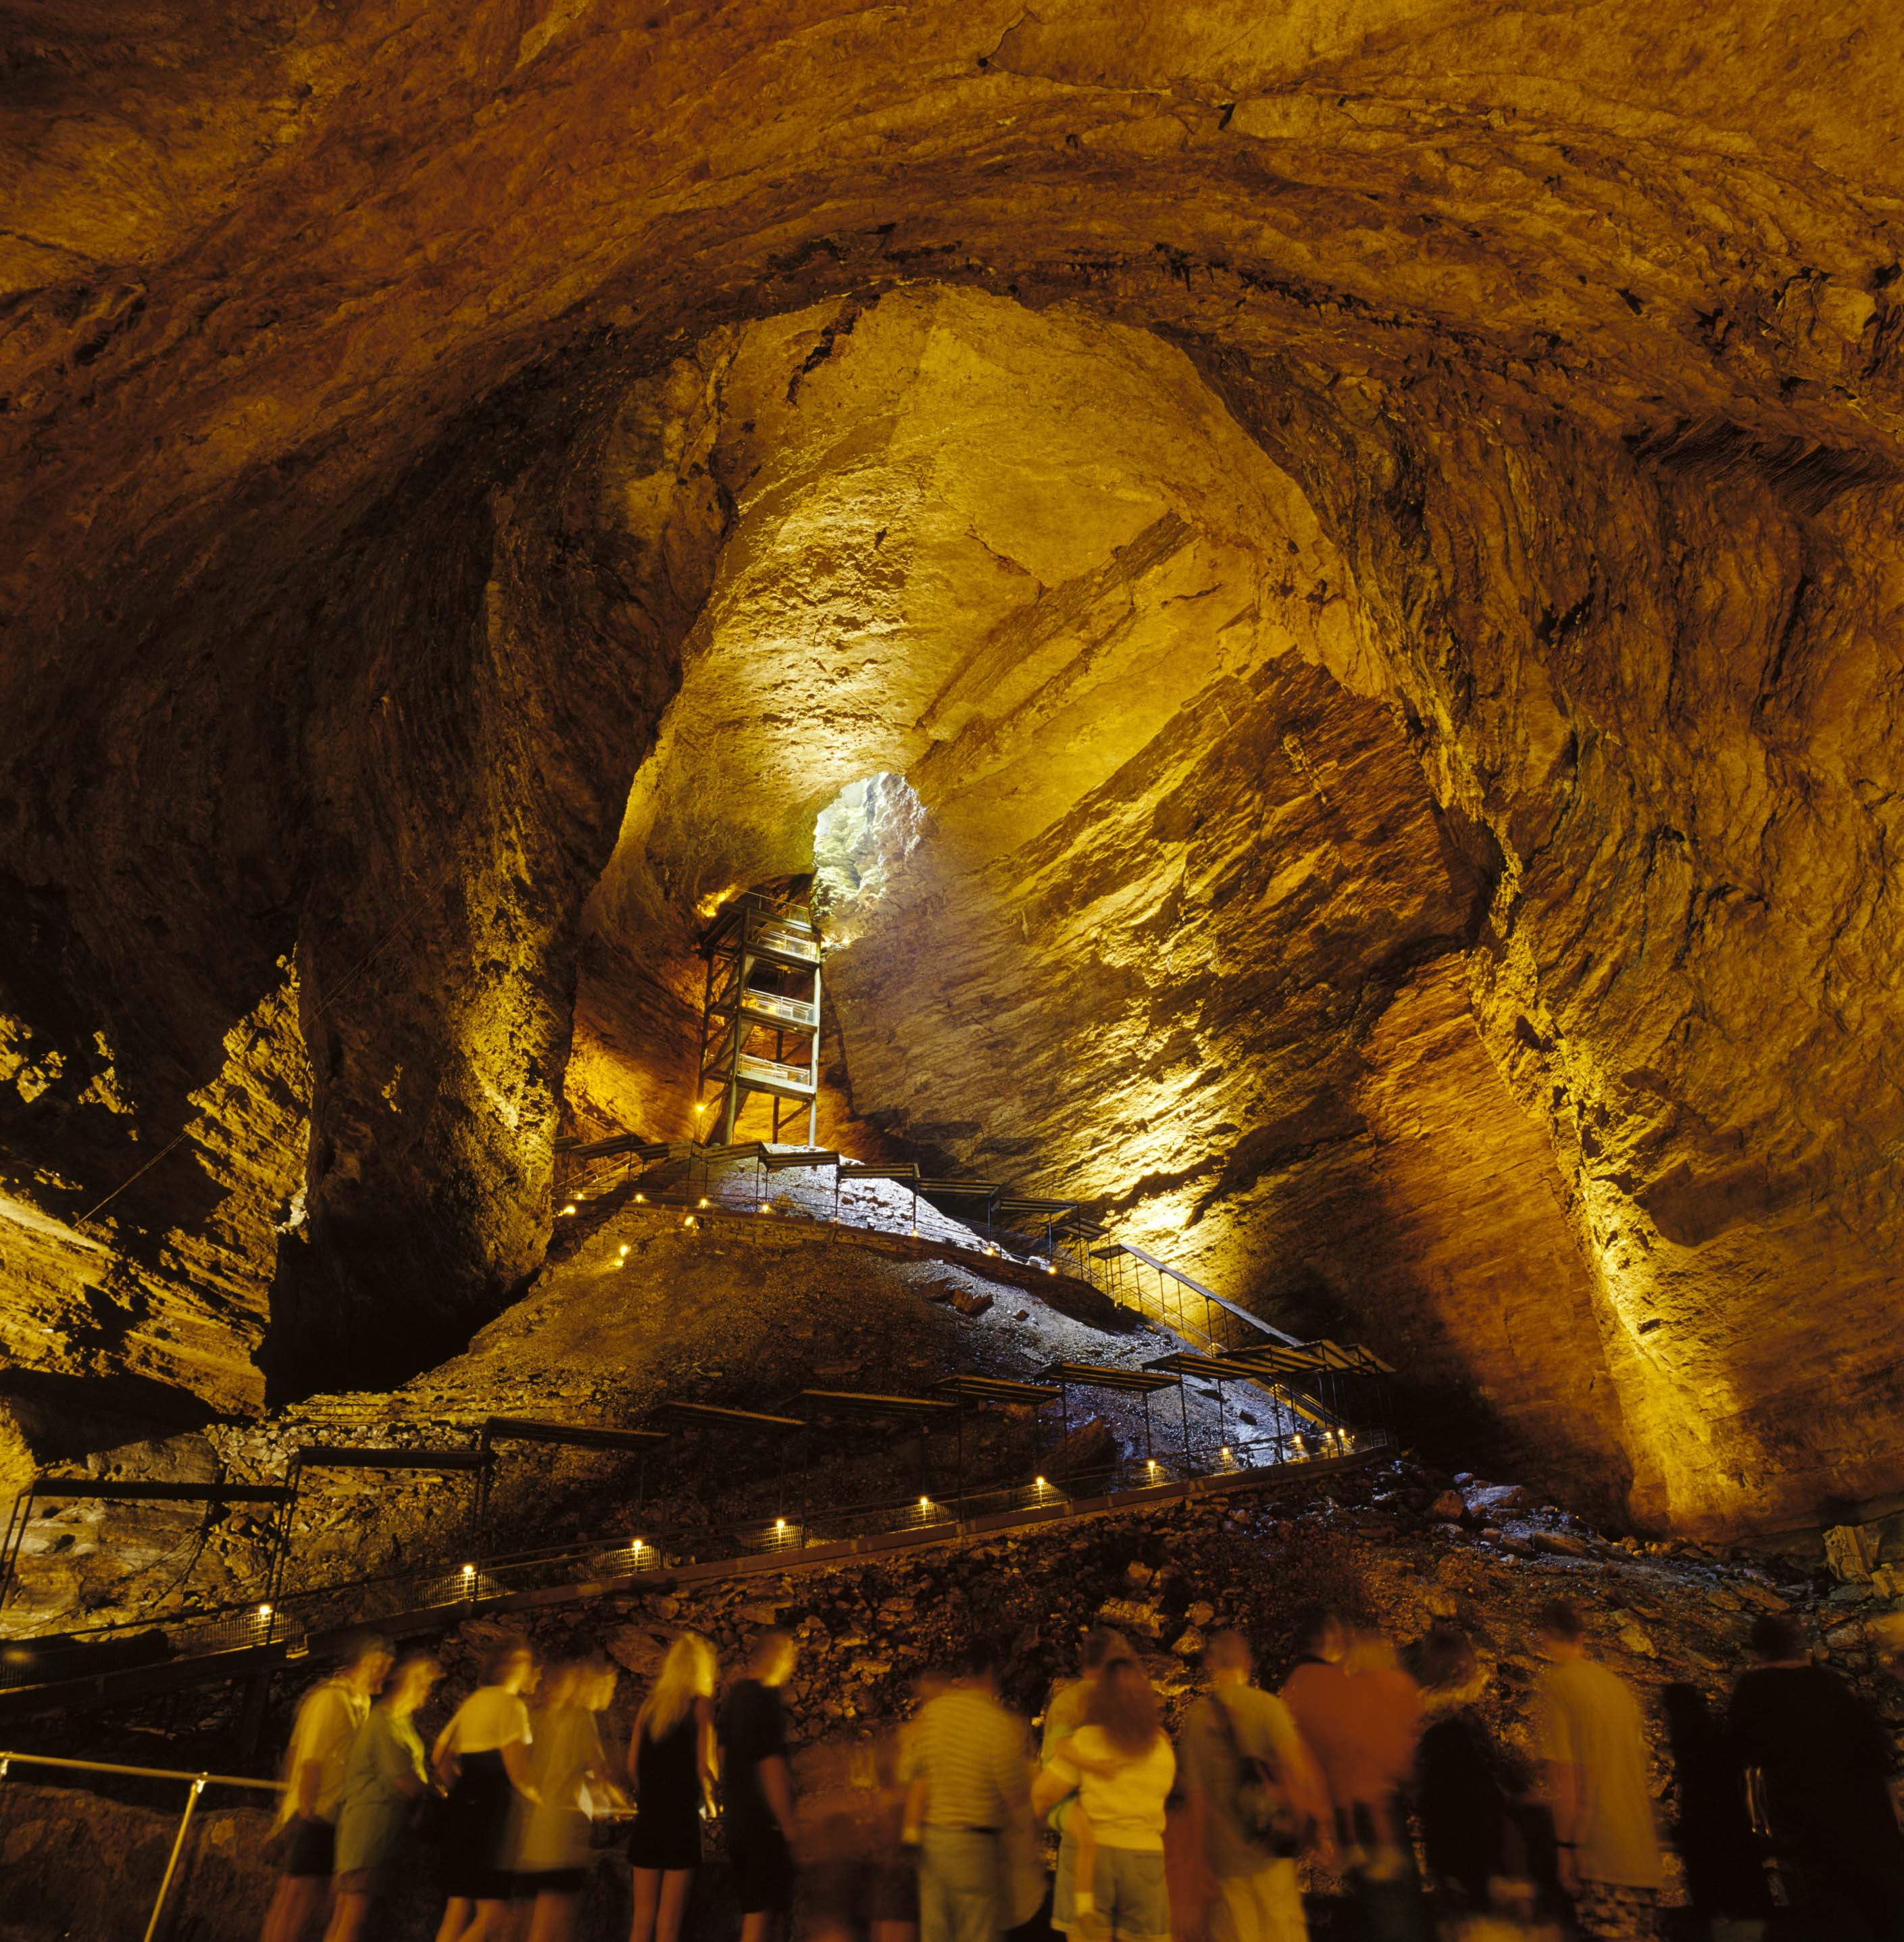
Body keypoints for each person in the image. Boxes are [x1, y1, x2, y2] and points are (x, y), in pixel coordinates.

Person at [1728, 1612, 1904, 1941]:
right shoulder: (1829, 1685)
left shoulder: (1755, 1689)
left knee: (1838, 1915)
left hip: (1813, 1824)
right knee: (1887, 1913)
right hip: (1870, 1820)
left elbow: (1741, 1760)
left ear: (1759, 1652)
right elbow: (1875, 1754)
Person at [1282, 1618, 1428, 1942]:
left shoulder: (1301, 1684)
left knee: (1380, 1901)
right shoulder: (1355, 1684)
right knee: (1397, 1903)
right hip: (1375, 1807)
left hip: (1346, 1807)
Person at [1179, 1629, 1321, 1942]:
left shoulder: (1196, 1718)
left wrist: (1196, 1859)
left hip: (1224, 1857)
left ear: (1210, 1663)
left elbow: (1196, 1797)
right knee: (1283, 1931)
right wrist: (1313, 1824)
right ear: (1249, 1663)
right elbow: (1297, 1770)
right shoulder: (1269, 1708)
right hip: (1271, 1849)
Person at [1532, 1599, 1661, 1942]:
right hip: (1641, 1854)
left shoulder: (1560, 1684)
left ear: (1545, 1636)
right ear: (1582, 1638)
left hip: (1602, 1853)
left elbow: (1567, 1775)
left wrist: (1566, 1849)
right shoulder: (1617, 1688)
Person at [263, 1632, 395, 1942]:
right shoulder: (331, 1700)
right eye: (382, 1664)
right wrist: (304, 1814)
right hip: (317, 1816)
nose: (385, 1673)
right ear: (367, 1662)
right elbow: (309, 1760)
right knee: (296, 1903)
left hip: (331, 1816)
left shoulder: (358, 1701)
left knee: (301, 1901)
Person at [899, 1641, 1034, 1942]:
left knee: (935, 1932)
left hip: (933, 1842)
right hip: (975, 1845)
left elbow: (909, 1772)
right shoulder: (1000, 1724)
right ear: (991, 1673)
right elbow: (1015, 1796)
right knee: (978, 1931)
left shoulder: (933, 1714)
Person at [1034, 1658, 1176, 1942]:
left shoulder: (1088, 1741)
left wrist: (1062, 1815)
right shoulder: (1162, 1748)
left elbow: (1042, 1795)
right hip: (1145, 1860)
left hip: (1093, 1859)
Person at [326, 1653, 443, 1942]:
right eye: (424, 1684)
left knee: (345, 1913)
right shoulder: (385, 1724)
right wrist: (435, 1791)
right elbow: (405, 1781)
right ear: (408, 1684)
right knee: (354, 1914)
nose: (427, 1691)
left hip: (372, 1832)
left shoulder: (398, 1722)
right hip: (371, 1833)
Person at [432, 1637, 541, 1942]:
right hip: (492, 1820)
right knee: (493, 1918)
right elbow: (519, 1773)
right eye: (531, 1665)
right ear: (516, 1667)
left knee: (456, 1911)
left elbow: (438, 1757)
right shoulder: (511, 1706)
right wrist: (545, 1804)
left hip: (463, 1814)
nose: (536, 1672)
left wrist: (462, 1792)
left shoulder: (473, 1702)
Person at [516, 1657, 622, 1942]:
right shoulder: (580, 1719)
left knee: (528, 1920)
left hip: (531, 1834)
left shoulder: (534, 1719)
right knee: (555, 1922)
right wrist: (619, 1804)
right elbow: (599, 1771)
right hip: (562, 1836)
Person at [1659, 1682, 1771, 1939]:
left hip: (1719, 1865)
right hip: (1737, 1859)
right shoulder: (1713, 1741)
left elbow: (1703, 1813)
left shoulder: (1692, 1749)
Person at [627, 1633, 720, 1942]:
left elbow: (632, 1765)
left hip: (649, 1819)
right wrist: (713, 1803)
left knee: (642, 1920)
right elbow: (705, 1767)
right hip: (681, 1821)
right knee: (669, 1924)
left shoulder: (650, 1705)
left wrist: (650, 1796)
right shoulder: (701, 1705)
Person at [720, 1629, 801, 1942]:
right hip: (763, 1826)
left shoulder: (736, 1696)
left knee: (754, 1909)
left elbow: (722, 1753)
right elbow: (770, 1766)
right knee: (764, 1916)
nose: (792, 1662)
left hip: (739, 1823)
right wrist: (789, 1825)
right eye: (790, 1654)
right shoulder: (766, 1698)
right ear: (777, 1656)